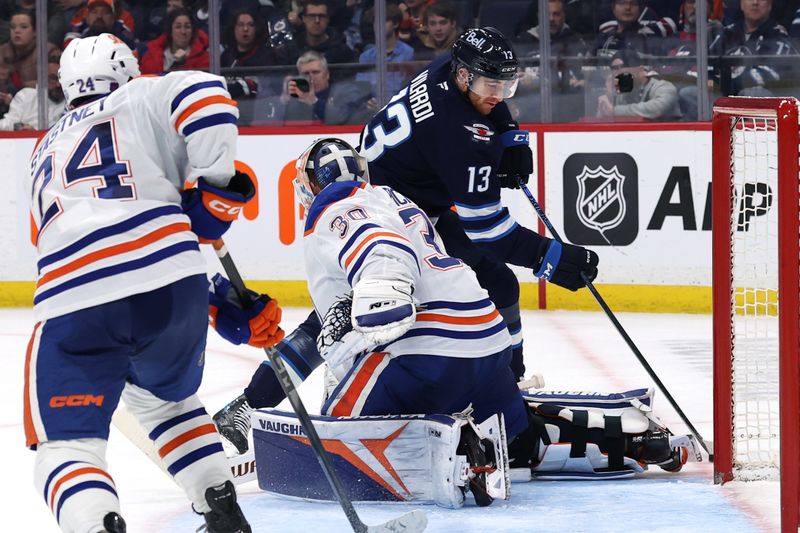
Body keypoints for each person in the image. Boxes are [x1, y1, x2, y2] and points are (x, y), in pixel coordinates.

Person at [217, 138, 696, 508]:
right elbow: (313, 334)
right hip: (486, 345)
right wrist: (251, 401)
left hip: (424, 353)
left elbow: (378, 251)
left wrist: (381, 292)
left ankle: (459, 443)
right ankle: (633, 437)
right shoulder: (396, 201)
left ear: (308, 187)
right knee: (522, 447)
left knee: (339, 430)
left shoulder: (339, 209)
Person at [25, 33, 283, 533]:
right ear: (126, 71)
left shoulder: (43, 148)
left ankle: (97, 522)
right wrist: (215, 191)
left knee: (66, 446)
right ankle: (219, 506)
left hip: (75, 294)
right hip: (173, 284)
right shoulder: (143, 96)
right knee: (166, 400)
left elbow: (70, 240)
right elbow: (209, 94)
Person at [362, 27, 600, 382]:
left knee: (499, 283)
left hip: (398, 204)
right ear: (464, 75)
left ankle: (508, 381)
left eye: (506, 86)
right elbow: (486, 230)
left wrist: (511, 134)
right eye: (492, 86)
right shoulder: (462, 136)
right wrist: (547, 257)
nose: (499, 95)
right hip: (389, 225)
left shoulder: (451, 67)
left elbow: (491, 103)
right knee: (369, 313)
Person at [719, 0, 799, 97]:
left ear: (770, 4)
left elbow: (763, 77)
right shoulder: (725, 34)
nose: (755, 2)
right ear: (741, 4)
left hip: (757, 104)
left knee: (755, 93)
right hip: (720, 100)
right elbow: (706, 70)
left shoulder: (780, 38)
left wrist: (721, 81)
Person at [279, 50, 372, 124]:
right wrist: (283, 102)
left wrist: (314, 101)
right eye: (305, 73)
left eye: (315, 72)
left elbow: (342, 119)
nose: (311, 77)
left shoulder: (345, 91)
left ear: (327, 74)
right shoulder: (295, 98)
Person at [595, 51, 682, 121]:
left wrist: (615, 110)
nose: (618, 72)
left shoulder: (664, 87)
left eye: (622, 67)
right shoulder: (623, 93)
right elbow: (602, 120)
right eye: (614, 68)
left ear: (640, 69)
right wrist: (609, 97)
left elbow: (656, 109)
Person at [356, 4, 415, 98]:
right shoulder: (366, 57)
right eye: (376, 22)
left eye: (384, 21)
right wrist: (368, 101)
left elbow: (409, 88)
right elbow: (361, 89)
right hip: (372, 109)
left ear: (395, 24)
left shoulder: (408, 53)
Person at [0, 9, 61, 91]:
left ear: (35, 31)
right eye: (13, 27)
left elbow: (56, 83)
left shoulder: (49, 51)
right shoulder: (2, 52)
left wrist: (23, 86)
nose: (16, 31)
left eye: (24, 27)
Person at [0, 56, 64, 130]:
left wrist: (35, 132)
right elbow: (9, 123)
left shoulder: (72, 104)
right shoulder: (26, 96)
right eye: (53, 78)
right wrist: (21, 128)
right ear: (41, 78)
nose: (58, 84)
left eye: (61, 78)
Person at [139, 8, 210, 75]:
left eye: (187, 27)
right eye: (178, 27)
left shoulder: (203, 58)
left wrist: (181, 64)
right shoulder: (152, 54)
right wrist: (172, 62)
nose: (183, 32)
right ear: (170, 31)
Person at [293, 0, 354, 64]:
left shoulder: (342, 52)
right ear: (304, 19)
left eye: (321, 16)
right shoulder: (291, 50)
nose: (317, 21)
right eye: (312, 16)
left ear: (328, 19)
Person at [63, 0, 136, 49]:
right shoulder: (81, 28)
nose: (99, 16)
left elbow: (131, 49)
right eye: (94, 12)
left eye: (105, 12)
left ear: (113, 19)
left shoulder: (122, 33)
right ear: (87, 17)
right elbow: (69, 47)